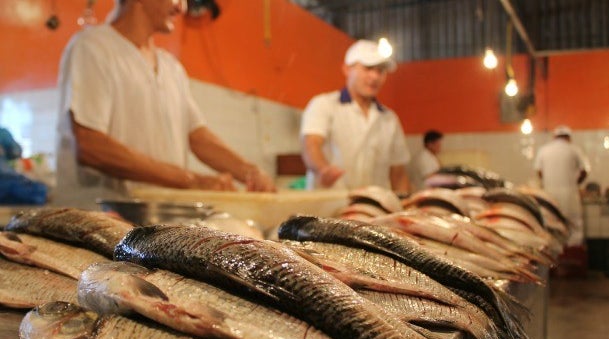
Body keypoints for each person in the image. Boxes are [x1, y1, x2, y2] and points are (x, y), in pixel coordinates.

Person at [56, 0, 275, 209]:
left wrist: (249, 172)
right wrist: (190, 180)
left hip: (157, 221)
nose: (182, 6)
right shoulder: (92, 48)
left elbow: (196, 135)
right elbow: (90, 146)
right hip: (103, 222)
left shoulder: (171, 68)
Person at [299, 39, 411, 195]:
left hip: (372, 209)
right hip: (329, 208)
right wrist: (322, 169)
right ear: (346, 69)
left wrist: (405, 205)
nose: (375, 76)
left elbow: (398, 173)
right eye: (368, 68)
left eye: (381, 71)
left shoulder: (389, 119)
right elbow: (311, 144)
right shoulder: (324, 105)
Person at [534, 125, 590, 246]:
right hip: (570, 194)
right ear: (569, 137)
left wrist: (549, 182)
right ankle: (573, 254)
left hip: (549, 196)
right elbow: (585, 171)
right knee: (574, 225)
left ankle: (553, 254)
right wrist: (576, 183)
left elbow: (539, 172)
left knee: (551, 224)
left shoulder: (544, 150)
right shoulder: (574, 149)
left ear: (555, 137)